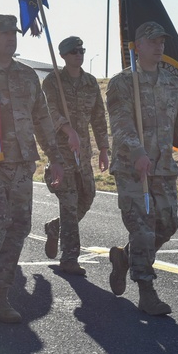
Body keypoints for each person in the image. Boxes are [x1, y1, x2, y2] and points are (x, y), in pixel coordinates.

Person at [105, 21, 178, 316]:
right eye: (152, 41)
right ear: (137, 47)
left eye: (161, 41)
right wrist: (136, 152)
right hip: (131, 167)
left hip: (163, 167)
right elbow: (121, 123)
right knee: (142, 229)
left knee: (168, 224)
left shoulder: (172, 82)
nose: (159, 46)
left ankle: (125, 259)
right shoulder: (123, 83)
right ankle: (146, 290)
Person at [0, 14, 64, 324]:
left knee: (18, 229)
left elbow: (42, 119)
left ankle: (2, 296)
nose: (11, 38)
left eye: (14, 33)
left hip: (23, 165)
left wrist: (55, 156)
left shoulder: (27, 76)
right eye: (4, 33)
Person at [41, 36, 110, 276]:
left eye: (81, 50)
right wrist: (68, 130)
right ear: (63, 56)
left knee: (87, 196)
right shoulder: (52, 82)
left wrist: (104, 148)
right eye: (73, 51)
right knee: (69, 203)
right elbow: (50, 111)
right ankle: (69, 258)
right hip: (61, 153)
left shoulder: (90, 82)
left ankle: (54, 228)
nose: (79, 54)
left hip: (84, 153)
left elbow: (99, 117)